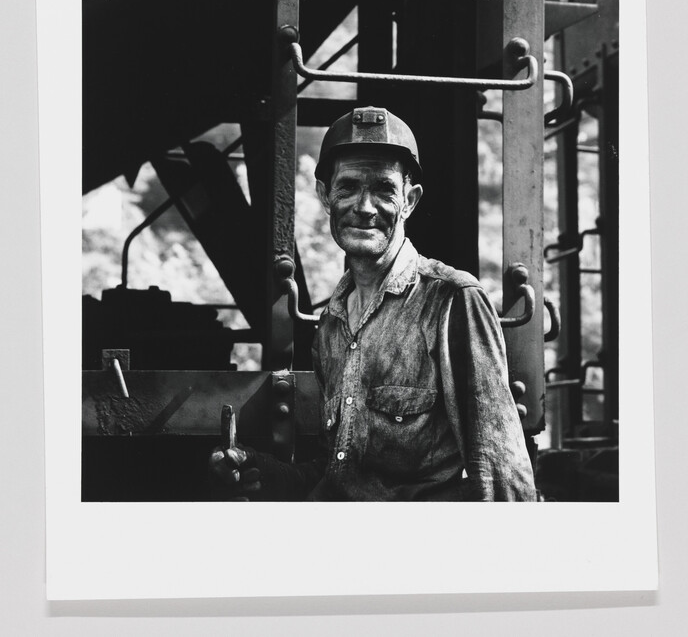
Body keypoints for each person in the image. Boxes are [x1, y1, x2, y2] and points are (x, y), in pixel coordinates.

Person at [209, 106, 537, 501]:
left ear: (410, 201)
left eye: (383, 189)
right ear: (325, 196)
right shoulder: (331, 324)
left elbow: (503, 480)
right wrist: (267, 473)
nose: (364, 207)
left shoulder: (451, 303)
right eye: (347, 187)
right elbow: (343, 476)